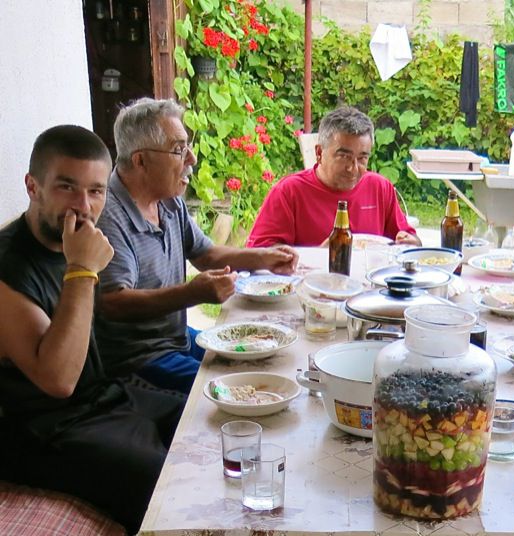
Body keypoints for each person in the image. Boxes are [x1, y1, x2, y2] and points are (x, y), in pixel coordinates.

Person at [0, 125, 185, 535]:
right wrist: (81, 271)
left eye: (96, 191)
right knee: (167, 488)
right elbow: (58, 380)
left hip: (105, 397)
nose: (83, 205)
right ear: (33, 187)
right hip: (44, 429)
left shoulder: (78, 242)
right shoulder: (8, 269)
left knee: (204, 426)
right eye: (67, 187)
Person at [94, 98, 299, 394]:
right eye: (178, 149)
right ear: (140, 160)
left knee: (264, 362)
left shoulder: (168, 200)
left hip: (177, 340)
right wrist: (191, 294)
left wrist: (264, 257)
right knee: (241, 389)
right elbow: (114, 303)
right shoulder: (109, 216)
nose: (191, 158)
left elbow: (205, 254)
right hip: (138, 361)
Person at [246, 106, 421, 248]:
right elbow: (259, 254)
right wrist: (318, 257)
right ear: (319, 152)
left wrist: (412, 243)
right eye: (343, 156)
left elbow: (406, 239)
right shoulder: (289, 191)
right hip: (309, 288)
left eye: (362, 158)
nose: (353, 168)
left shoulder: (379, 187)